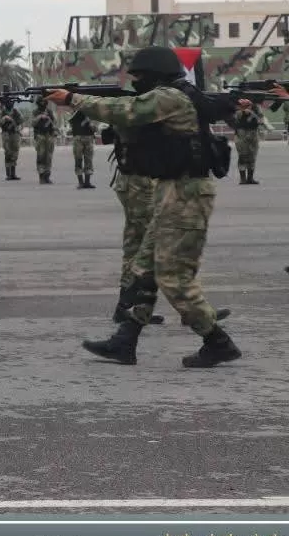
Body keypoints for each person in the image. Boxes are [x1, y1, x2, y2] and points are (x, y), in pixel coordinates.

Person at [72, 47, 241, 368]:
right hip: (171, 191)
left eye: (139, 76)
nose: (135, 82)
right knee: (144, 269)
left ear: (156, 74)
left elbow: (124, 110)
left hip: (186, 195)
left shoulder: (170, 97)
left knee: (173, 277)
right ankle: (126, 339)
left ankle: (217, 340)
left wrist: (73, 99)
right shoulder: (175, 94)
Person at [230, 101, 264, 185]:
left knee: (252, 156)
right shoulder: (237, 106)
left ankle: (250, 178)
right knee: (242, 156)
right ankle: (243, 179)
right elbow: (233, 119)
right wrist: (242, 112)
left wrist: (252, 113)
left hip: (253, 134)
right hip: (241, 134)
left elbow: (261, 121)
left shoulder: (256, 107)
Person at [68, 109, 97, 189]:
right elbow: (70, 122)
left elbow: (95, 129)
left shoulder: (90, 113)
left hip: (89, 138)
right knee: (78, 159)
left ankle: (87, 182)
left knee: (89, 160)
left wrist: (91, 123)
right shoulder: (75, 112)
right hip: (78, 138)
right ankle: (80, 182)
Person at [0, 99, 23, 181]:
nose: (10, 103)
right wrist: (4, 118)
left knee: (15, 152)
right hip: (6, 134)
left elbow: (21, 120)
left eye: (12, 102)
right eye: (9, 102)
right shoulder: (2, 112)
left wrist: (13, 119)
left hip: (15, 133)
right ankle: (8, 174)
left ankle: (13, 173)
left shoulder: (16, 111)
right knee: (8, 152)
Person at [32, 102, 57, 184]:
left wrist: (49, 118)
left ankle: (47, 176)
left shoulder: (49, 111)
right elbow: (33, 123)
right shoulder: (35, 112)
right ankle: (41, 176)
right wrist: (40, 117)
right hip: (40, 135)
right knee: (41, 155)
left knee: (49, 156)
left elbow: (54, 122)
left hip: (49, 135)